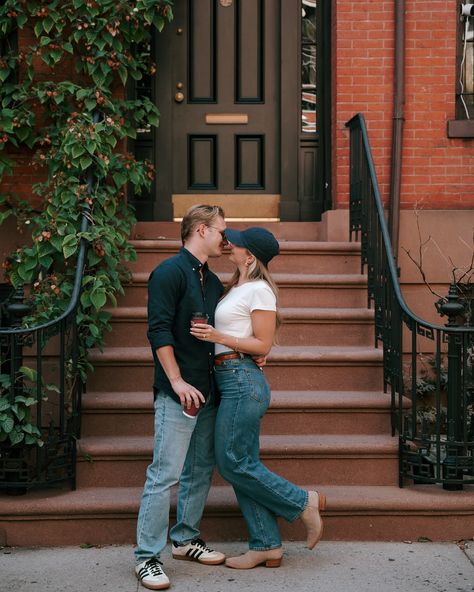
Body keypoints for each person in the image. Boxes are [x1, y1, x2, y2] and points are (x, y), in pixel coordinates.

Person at [190, 226, 326, 570]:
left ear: (249, 256)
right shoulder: (239, 287)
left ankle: (302, 502)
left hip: (241, 381)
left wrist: (217, 336)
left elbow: (262, 345)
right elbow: (249, 339)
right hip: (231, 378)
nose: (228, 245)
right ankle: (266, 544)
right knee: (242, 463)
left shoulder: (260, 291)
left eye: (234, 244)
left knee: (232, 461)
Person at [134, 205, 228, 590]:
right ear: (202, 230)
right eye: (222, 230)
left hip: (208, 389)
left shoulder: (214, 282)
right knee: (164, 474)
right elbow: (158, 331)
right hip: (179, 391)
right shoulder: (168, 273)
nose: (226, 237)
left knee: (200, 469)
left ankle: (186, 538)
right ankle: (146, 557)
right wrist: (176, 382)